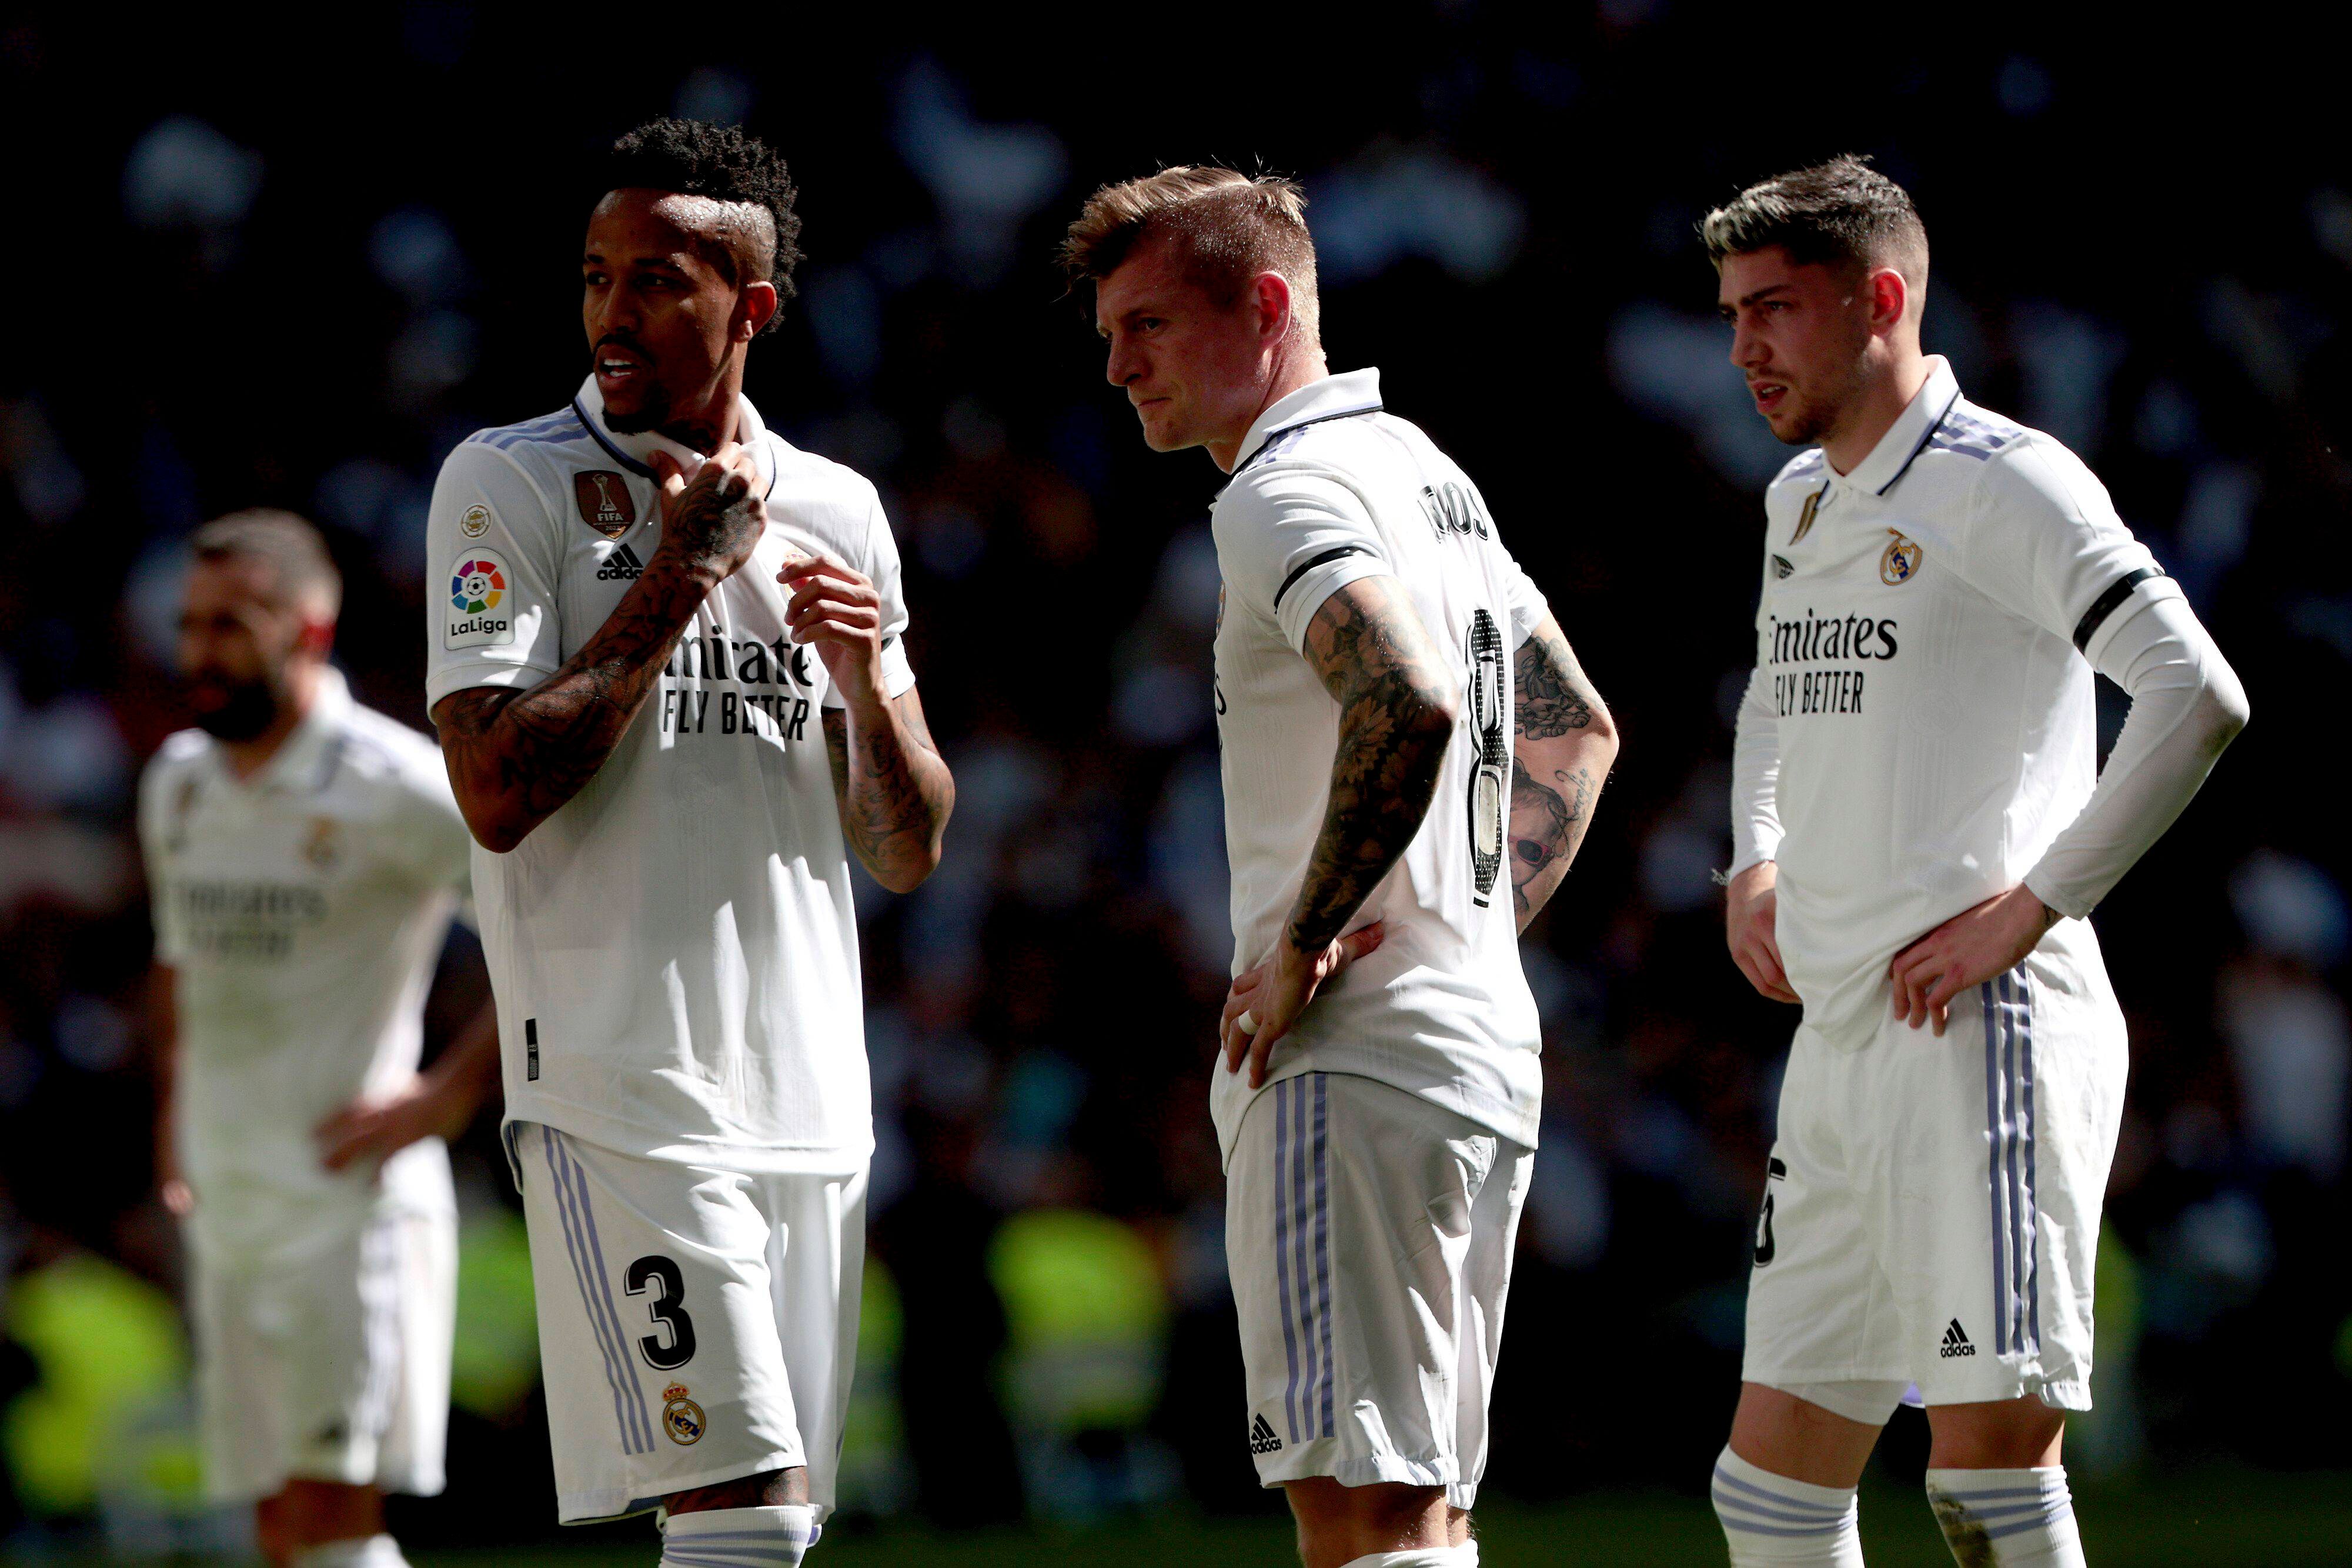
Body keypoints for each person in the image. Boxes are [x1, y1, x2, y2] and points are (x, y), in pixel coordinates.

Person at [1061, 168, 1619, 1568]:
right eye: (1107, 334)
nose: (1118, 364)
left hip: (1352, 1056)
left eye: (1148, 325)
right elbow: (1575, 733)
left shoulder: (1276, 489)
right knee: (1423, 1512)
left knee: (1357, 1518)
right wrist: (1464, 923)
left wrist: (1308, 933)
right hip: (1477, 1039)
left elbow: (1410, 699)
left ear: (1263, 306)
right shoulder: (1427, 471)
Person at [422, 119, 951, 1567]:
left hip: (810, 1087)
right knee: (746, 1512)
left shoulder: (839, 507)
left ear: (751, 306)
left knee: (767, 1527)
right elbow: (494, 789)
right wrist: (681, 570)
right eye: (596, 276)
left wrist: (863, 693)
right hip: (617, 1078)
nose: (610, 311)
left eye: (656, 280)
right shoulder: (508, 480)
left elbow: (903, 847)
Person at [1708, 156, 2250, 1567]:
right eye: (1728, 312)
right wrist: (1752, 856)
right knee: (1765, 1493)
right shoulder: (1799, 503)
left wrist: (2027, 911)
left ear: (1879, 299)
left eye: (1771, 307)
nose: (1742, 345)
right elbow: (1772, 692)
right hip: (1838, 1041)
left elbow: (2192, 692)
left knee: (1986, 1482)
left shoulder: (2002, 480)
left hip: (1978, 1032)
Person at [141, 509, 499, 1568]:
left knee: (336, 1522)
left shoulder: (394, 782)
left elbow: (551, 932)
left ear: (307, 630)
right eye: (190, 625)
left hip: (350, 1206)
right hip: (231, 1200)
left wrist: (449, 1093)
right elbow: (179, 969)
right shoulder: (181, 782)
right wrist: (176, 1123)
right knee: (275, 1525)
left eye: (229, 625)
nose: (199, 652)